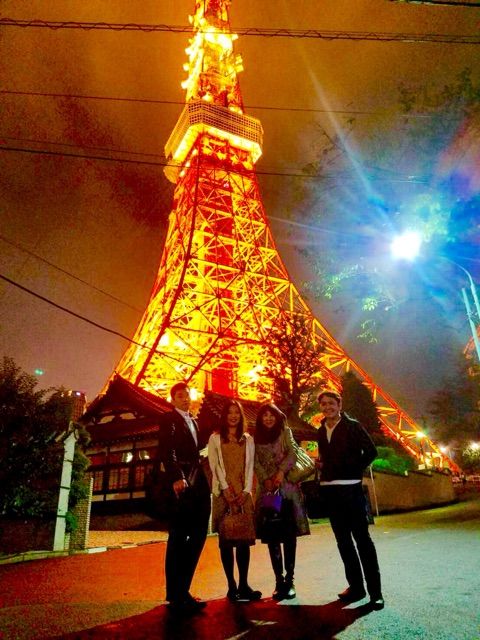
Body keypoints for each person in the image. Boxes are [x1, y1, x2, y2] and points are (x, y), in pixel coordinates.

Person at [316, 389, 384, 610]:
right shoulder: (320, 430)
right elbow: (326, 457)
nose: (327, 407)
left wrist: (353, 469)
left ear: (339, 405)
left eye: (331, 403)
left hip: (351, 490)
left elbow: (371, 451)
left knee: (363, 541)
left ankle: (375, 592)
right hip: (330, 491)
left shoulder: (353, 426)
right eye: (323, 404)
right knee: (343, 543)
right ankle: (356, 587)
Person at [158, 382, 211, 614]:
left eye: (187, 396)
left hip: (198, 482)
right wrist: (176, 477)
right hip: (182, 483)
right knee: (178, 537)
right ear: (173, 400)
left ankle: (183, 589)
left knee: (199, 534)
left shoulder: (195, 422)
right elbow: (167, 450)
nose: (185, 399)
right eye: (180, 396)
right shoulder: (169, 419)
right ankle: (176, 593)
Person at [254, 403, 310, 600]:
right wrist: (265, 479)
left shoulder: (285, 432)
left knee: (289, 533)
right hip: (268, 491)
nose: (268, 418)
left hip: (287, 488)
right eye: (265, 415)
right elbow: (255, 462)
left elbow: (293, 453)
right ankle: (279, 580)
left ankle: (290, 579)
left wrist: (280, 472)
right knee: (273, 534)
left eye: (272, 415)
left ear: (277, 417)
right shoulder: (255, 437)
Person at [208, 400, 262, 602]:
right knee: (226, 541)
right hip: (223, 493)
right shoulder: (215, 438)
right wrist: (225, 489)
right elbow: (214, 465)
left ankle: (243, 584)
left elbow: (250, 466)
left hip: (243, 492)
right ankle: (231, 585)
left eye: (236, 413)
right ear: (224, 416)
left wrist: (246, 491)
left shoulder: (248, 439)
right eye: (229, 412)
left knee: (243, 540)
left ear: (241, 416)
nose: (233, 416)